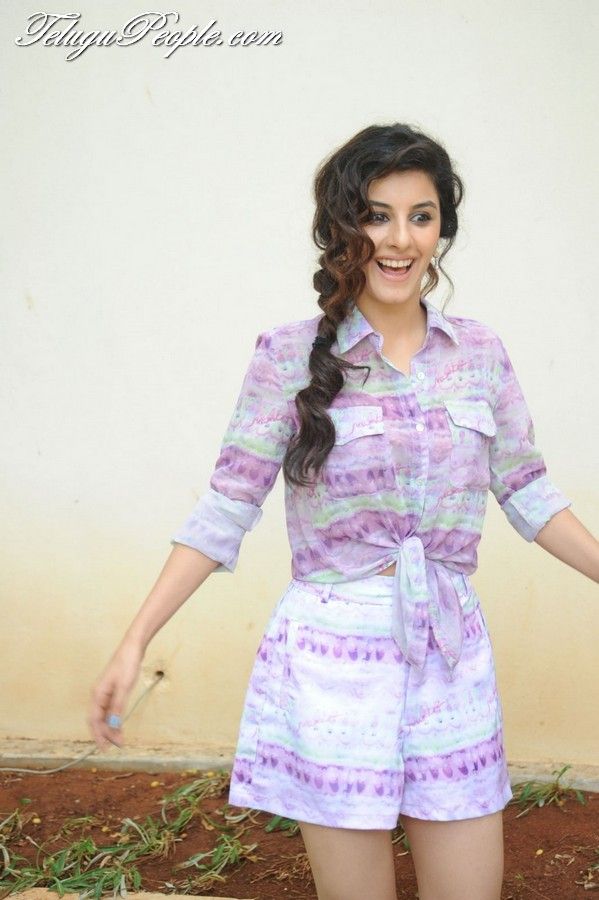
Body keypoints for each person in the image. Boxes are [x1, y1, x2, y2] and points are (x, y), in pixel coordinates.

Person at [88, 123, 599, 900]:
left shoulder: (478, 355)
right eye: (375, 215)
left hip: (448, 655)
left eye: (420, 216)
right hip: (332, 663)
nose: (399, 239)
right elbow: (226, 506)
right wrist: (135, 640)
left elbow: (528, 491)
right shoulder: (287, 357)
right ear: (340, 228)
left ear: (440, 231)